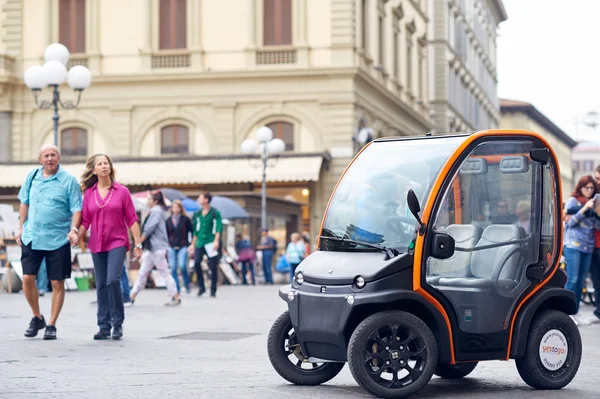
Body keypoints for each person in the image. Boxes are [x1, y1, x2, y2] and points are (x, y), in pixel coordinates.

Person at [17, 144, 82, 340]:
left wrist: (74, 230)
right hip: (32, 236)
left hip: (58, 240)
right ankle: (37, 317)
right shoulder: (32, 177)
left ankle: (52, 324)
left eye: (53, 155)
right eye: (46, 155)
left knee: (57, 282)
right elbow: (24, 202)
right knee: (28, 278)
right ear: (40, 159)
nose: (50, 158)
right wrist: (21, 228)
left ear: (59, 157)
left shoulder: (68, 181)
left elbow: (77, 209)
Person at [76, 154, 143, 340]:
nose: (104, 166)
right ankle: (103, 326)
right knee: (101, 285)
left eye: (106, 163)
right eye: (100, 164)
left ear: (110, 167)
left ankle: (117, 323)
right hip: (97, 242)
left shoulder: (122, 191)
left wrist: (138, 244)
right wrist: (76, 235)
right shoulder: (89, 193)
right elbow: (86, 220)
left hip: (118, 242)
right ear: (94, 170)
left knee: (112, 280)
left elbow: (132, 219)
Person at [130, 190, 181, 306]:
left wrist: (138, 244)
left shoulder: (156, 212)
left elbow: (148, 229)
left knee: (163, 273)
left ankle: (175, 296)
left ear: (155, 201)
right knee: (144, 272)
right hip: (153, 249)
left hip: (157, 248)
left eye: (149, 199)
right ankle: (132, 296)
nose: (147, 202)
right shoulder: (157, 211)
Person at [563, 175, 600, 326]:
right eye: (587, 187)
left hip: (588, 247)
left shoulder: (594, 203)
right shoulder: (573, 202)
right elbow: (570, 222)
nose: (589, 190)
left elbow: (596, 227)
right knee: (572, 279)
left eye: (592, 188)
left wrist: (597, 212)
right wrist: (584, 209)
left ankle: (575, 311)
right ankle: (565, 312)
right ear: (581, 187)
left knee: (581, 282)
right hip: (573, 245)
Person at [188, 192, 223, 297]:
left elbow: (218, 228)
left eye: (200, 198)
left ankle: (213, 289)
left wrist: (216, 241)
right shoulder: (197, 214)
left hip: (210, 242)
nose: (198, 199)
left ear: (206, 200)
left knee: (213, 266)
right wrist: (192, 244)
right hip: (200, 242)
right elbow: (196, 230)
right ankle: (201, 287)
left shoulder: (214, 213)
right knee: (197, 263)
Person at [166, 199, 193, 294]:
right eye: (174, 207)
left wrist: (191, 244)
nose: (175, 209)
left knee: (182, 266)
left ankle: (187, 284)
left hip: (183, 245)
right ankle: (176, 288)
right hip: (172, 246)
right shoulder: (168, 220)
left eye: (177, 207)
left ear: (180, 209)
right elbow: (166, 234)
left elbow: (192, 232)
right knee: (173, 268)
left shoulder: (186, 219)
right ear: (171, 209)